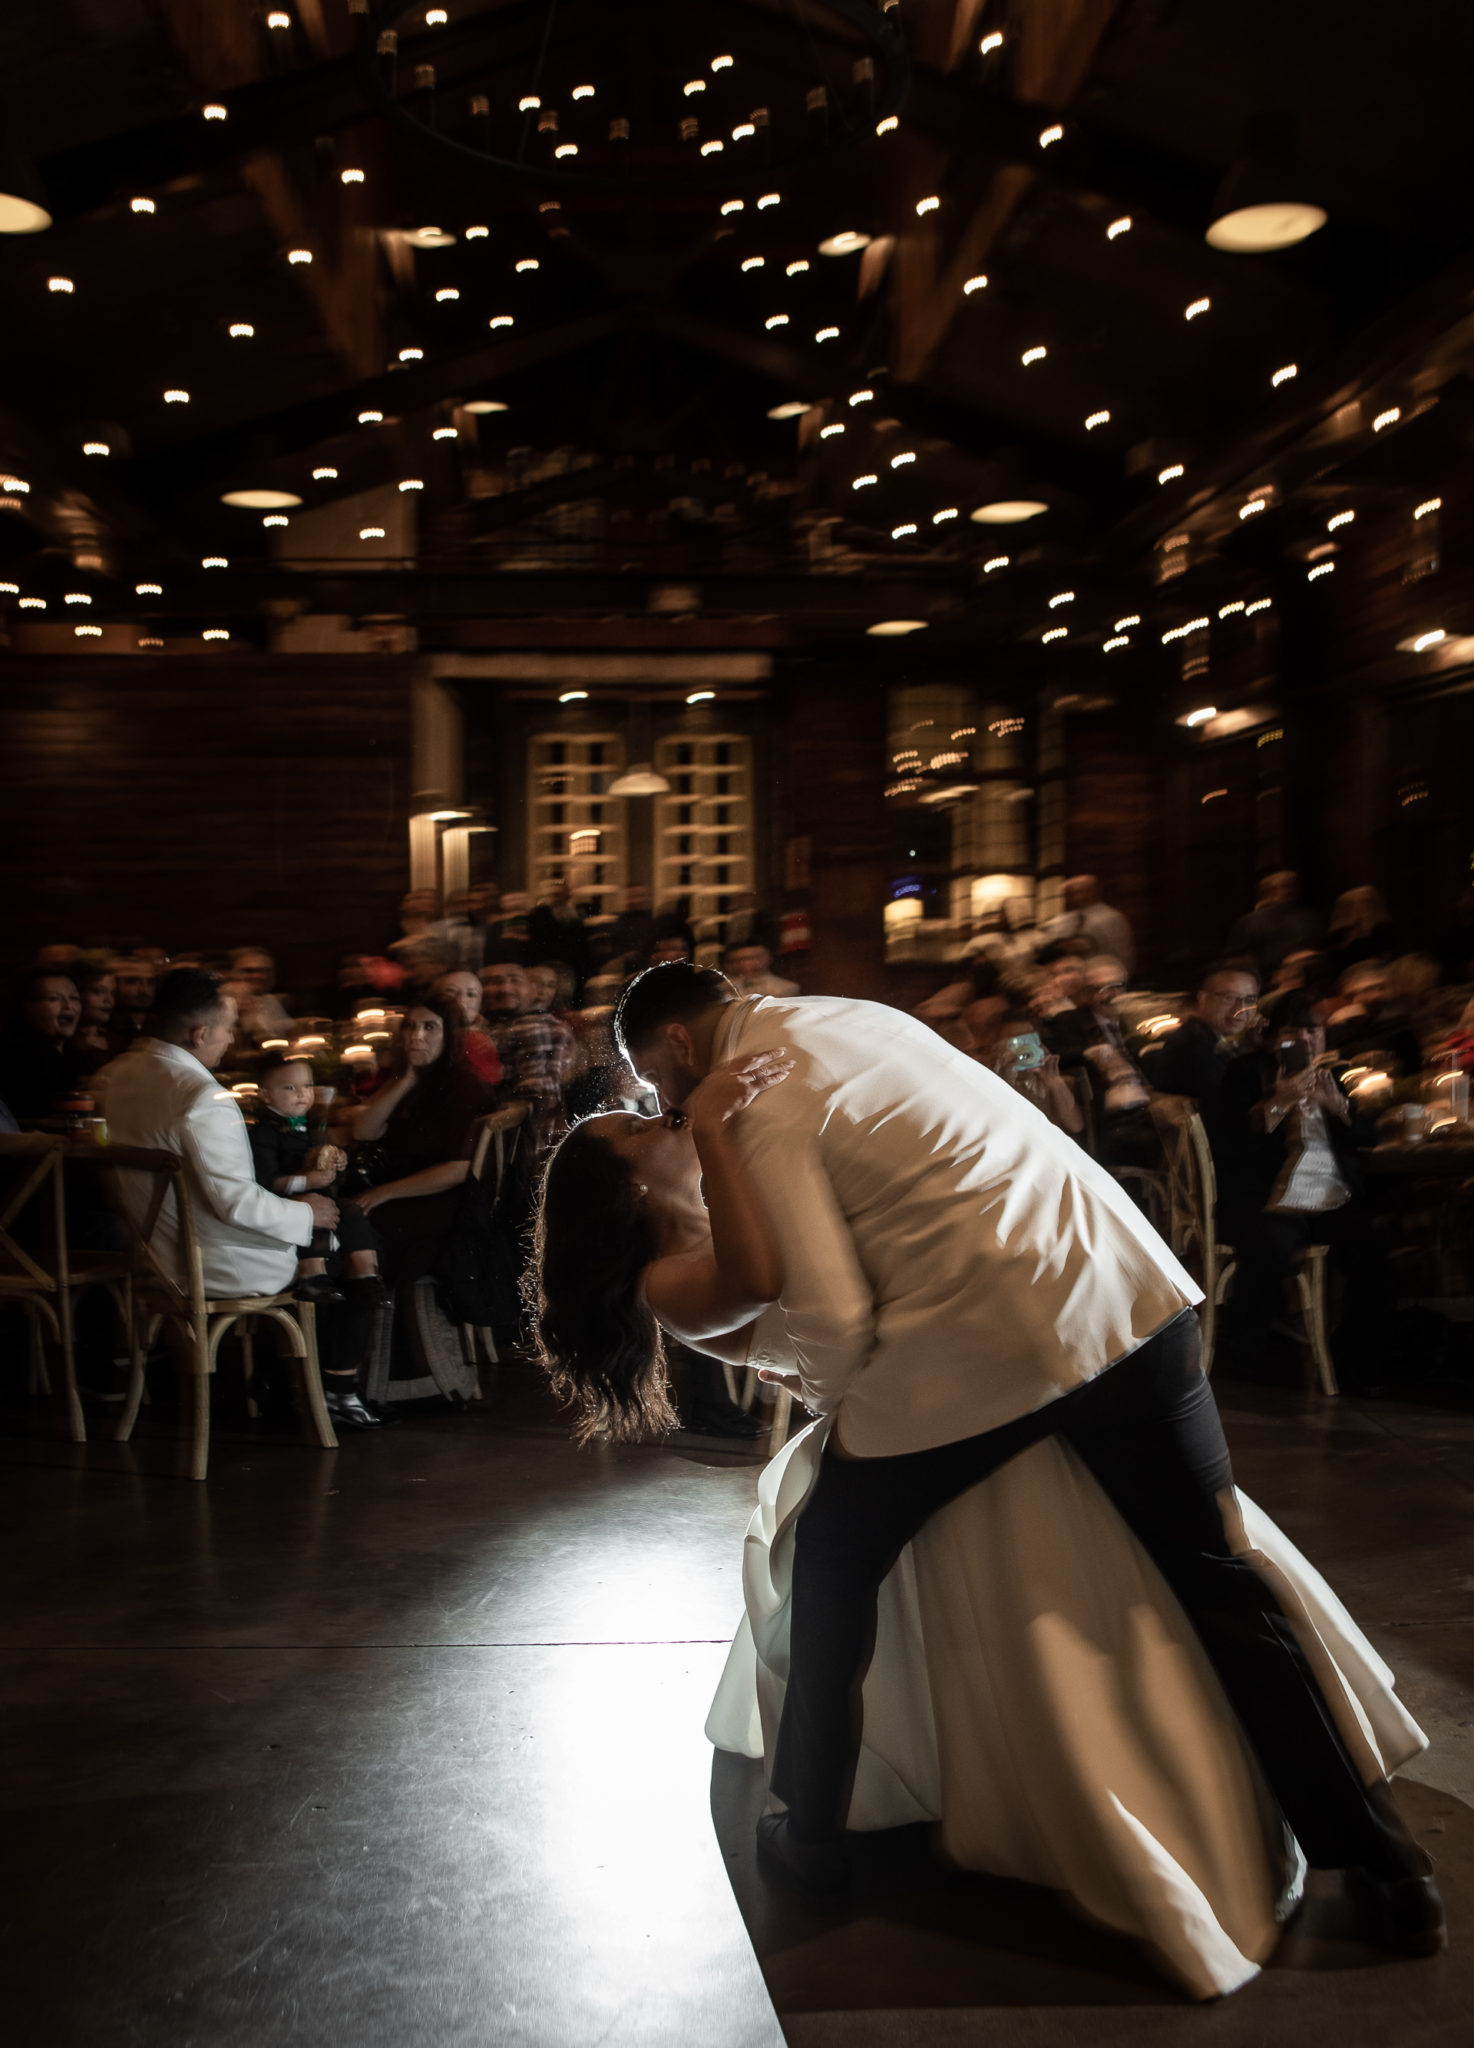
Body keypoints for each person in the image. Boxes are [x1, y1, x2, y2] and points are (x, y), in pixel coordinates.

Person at [572, 963, 1441, 1963]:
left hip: (988, 1345)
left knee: (830, 1570)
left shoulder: (759, 1102)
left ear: (677, 1043)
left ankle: (809, 1837)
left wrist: (832, 1393)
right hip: (1123, 1287)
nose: (664, 1107)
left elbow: (835, 1321)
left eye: (652, 1085)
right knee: (1220, 1579)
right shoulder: (856, 1013)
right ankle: (1385, 1867)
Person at [98, 969, 337, 1300]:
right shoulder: (203, 1098)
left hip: (149, 1254)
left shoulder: (116, 1075)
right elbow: (236, 1202)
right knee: (340, 1251)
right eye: (228, 1029)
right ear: (199, 1035)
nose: (231, 1039)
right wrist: (308, 1213)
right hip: (214, 1266)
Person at [1210, 992, 1393, 1394]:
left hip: (1332, 1197)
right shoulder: (1246, 1072)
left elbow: (1367, 1134)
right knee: (1269, 1247)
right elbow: (1230, 1143)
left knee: (1374, 1241)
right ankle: (1246, 1357)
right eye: (1294, 1032)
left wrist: (1337, 1107)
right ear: (1273, 1038)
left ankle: (1359, 1359)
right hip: (1270, 1199)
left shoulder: (1336, 1075)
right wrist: (1278, 1103)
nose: (1307, 1040)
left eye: (1314, 1031)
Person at [248, 1053, 389, 1429]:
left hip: (313, 1204)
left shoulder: (309, 1128)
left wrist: (333, 1166)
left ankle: (367, 1275)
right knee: (319, 1214)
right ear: (266, 1096)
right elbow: (264, 1182)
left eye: (306, 1086)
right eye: (289, 1088)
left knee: (353, 1212)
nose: (300, 1095)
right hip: (283, 1210)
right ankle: (314, 1274)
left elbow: (324, 1178)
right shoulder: (264, 1132)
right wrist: (307, 1183)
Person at [348, 993, 496, 1288]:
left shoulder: (463, 1084)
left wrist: (384, 1193)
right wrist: (404, 1081)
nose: (416, 1036)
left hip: (444, 1200)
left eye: (429, 1027)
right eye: (410, 1027)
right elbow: (363, 1131)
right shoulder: (413, 1079)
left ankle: (374, 1315)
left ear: (449, 1034)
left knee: (354, 1228)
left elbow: (459, 1168)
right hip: (407, 1189)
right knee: (342, 1219)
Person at [481, 959, 575, 1143]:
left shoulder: (531, 1026)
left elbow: (534, 1097)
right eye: (492, 982)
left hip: (511, 1140)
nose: (505, 989)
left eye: (514, 980)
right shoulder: (506, 1024)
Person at [1145, 962, 1261, 1110]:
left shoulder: (1213, 1038)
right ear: (1203, 999)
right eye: (1229, 998)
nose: (1240, 1009)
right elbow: (1233, 1111)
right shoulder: (1192, 1046)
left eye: (1250, 1000)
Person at [0, 970, 89, 1121]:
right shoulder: (15, 1061)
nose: (68, 1006)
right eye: (54, 999)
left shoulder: (78, 1057)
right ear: (24, 1008)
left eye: (74, 998)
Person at [1325, 961, 1424, 1075]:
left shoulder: (1399, 1020)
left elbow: (1411, 1059)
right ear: (1352, 995)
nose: (1375, 995)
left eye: (1380, 988)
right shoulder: (1340, 1026)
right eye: (1368, 990)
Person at [1228, 872, 1323, 977]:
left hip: (1309, 974)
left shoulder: (1308, 918)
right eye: (1285, 886)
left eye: (1293, 886)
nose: (1290, 891)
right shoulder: (1250, 922)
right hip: (1268, 979)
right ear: (1268, 891)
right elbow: (1239, 960)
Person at [1042, 875, 1135, 978]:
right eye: (1067, 895)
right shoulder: (1067, 919)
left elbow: (1119, 953)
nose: (1069, 899)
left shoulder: (1110, 918)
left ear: (1091, 892)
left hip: (1106, 976)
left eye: (1075, 892)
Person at [433, 969, 503, 1088]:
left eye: (471, 994)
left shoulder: (482, 1039)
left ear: (480, 1003)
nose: (461, 1001)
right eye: (451, 992)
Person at [527, 877, 591, 992]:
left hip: (576, 965)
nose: (558, 896)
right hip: (549, 963)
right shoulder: (539, 914)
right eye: (555, 893)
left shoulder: (580, 912)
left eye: (562, 892)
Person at [1326, 887, 1397, 981]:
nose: (1364, 908)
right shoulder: (1336, 941)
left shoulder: (1383, 936)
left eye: (1367, 903)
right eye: (1359, 904)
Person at [722, 941, 799, 998]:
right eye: (739, 959)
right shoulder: (722, 989)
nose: (746, 964)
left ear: (769, 958)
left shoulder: (786, 988)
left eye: (753, 958)